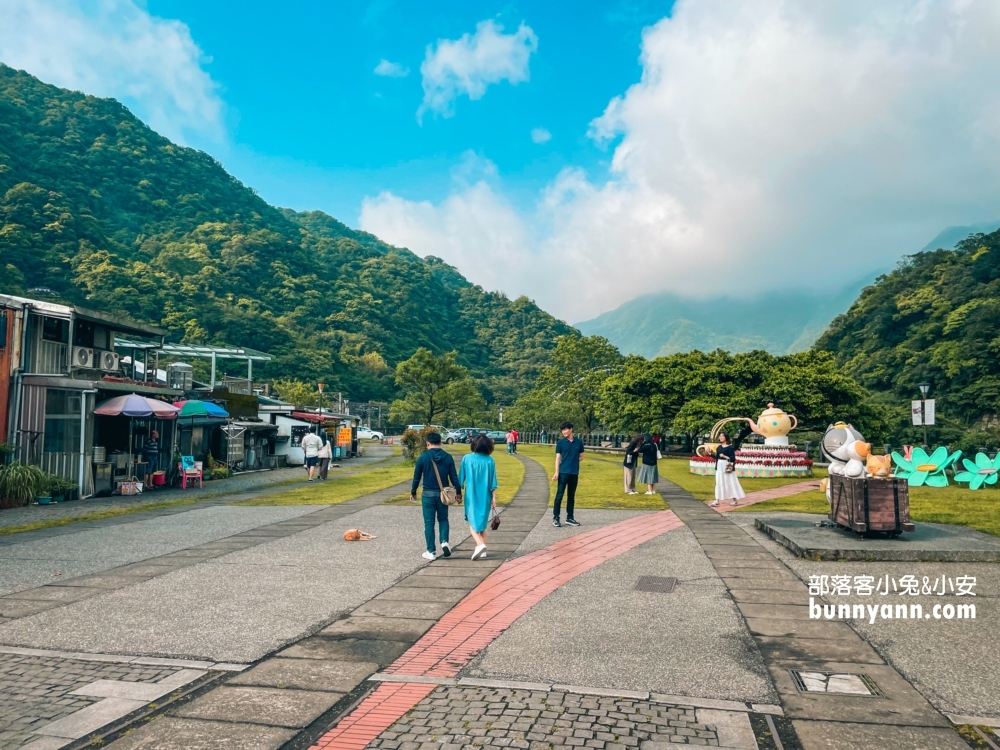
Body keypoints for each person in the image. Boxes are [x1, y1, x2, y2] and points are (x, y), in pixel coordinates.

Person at [410, 432, 460, 560]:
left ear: (427, 443)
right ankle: (444, 541)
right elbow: (454, 477)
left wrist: (413, 492)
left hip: (428, 494)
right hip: (443, 494)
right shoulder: (448, 457)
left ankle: (431, 551)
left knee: (429, 523)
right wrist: (459, 493)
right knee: (443, 519)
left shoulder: (423, 457)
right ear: (441, 442)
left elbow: (416, 478)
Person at [459, 433, 498, 560]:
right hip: (486, 496)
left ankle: (480, 545)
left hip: (471, 496)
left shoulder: (467, 458)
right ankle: (483, 548)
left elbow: (460, 479)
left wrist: (458, 493)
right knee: (482, 523)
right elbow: (493, 482)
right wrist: (494, 497)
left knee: (472, 523)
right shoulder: (490, 460)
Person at [552, 422, 584, 527]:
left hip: (574, 472)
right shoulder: (561, 443)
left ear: (571, 429)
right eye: (562, 430)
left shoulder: (579, 442)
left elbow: (581, 456)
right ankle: (556, 518)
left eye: (566, 430)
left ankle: (570, 518)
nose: (564, 432)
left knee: (571, 496)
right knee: (559, 495)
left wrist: (572, 462)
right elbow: (557, 458)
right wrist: (556, 472)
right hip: (563, 472)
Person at [711, 433, 746, 507]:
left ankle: (734, 499)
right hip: (719, 466)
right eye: (720, 436)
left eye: (722, 436)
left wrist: (725, 456)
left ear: (726, 438)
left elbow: (733, 458)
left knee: (730, 481)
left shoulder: (730, 448)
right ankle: (717, 500)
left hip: (727, 465)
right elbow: (716, 458)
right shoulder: (719, 447)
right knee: (719, 482)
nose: (721, 437)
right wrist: (710, 453)